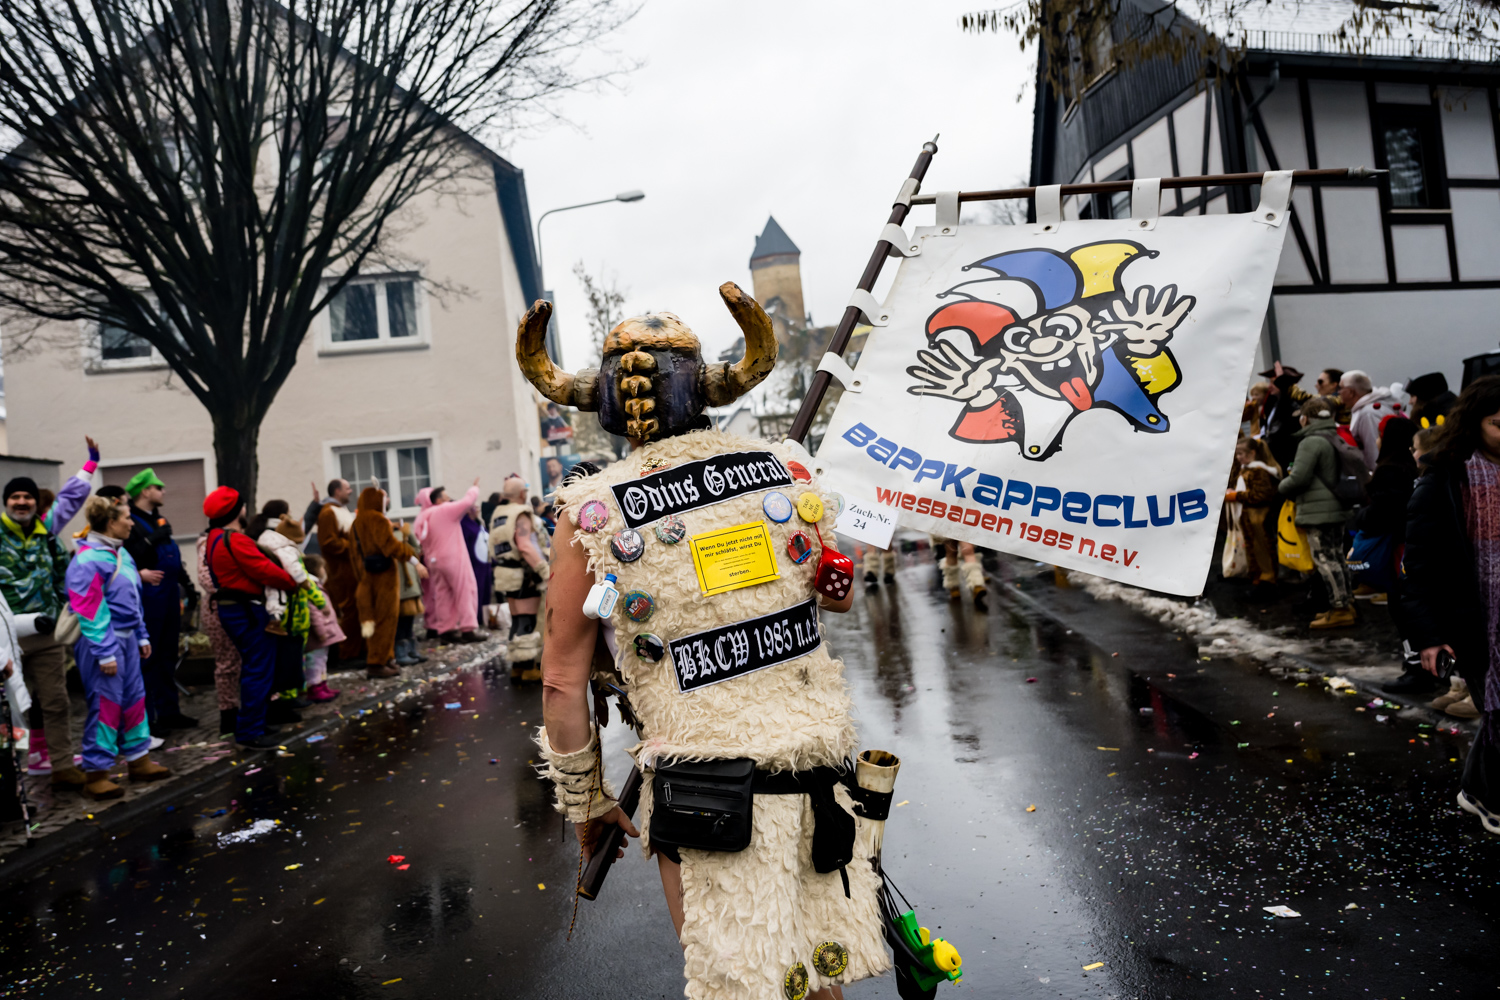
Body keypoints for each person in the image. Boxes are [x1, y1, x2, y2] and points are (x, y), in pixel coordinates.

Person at [522, 285, 890, 1000]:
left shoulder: (591, 514)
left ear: (605, 403)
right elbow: (831, 591)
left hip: (705, 793)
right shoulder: (788, 472)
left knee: (743, 987)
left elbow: (562, 680)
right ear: (706, 389)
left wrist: (588, 805)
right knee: (817, 984)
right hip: (821, 774)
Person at [1402, 375, 1500, 834]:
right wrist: (1428, 635)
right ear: (1474, 423)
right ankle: (1487, 798)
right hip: (1478, 619)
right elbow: (1420, 565)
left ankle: (1477, 790)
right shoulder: (1444, 477)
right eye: (1499, 424)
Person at [2, 437, 98, 789]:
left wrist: (90, 466)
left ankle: (61, 766)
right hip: (5, 639)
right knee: (8, 712)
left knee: (56, 701)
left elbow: (71, 500)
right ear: (7, 502)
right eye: (15, 497)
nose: (22, 502)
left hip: (45, 634)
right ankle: (8, 775)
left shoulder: (46, 534)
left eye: (27, 497)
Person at [66, 496, 171, 799]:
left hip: (126, 641)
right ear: (111, 522)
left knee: (135, 700)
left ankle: (138, 760)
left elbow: (132, 601)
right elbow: (89, 610)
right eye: (126, 518)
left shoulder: (121, 554)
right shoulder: (86, 560)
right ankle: (97, 772)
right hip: (103, 644)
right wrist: (105, 652)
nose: (131, 523)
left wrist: (141, 636)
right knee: (106, 706)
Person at [202, 487, 298, 749]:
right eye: (243, 506)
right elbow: (266, 571)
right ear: (237, 511)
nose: (246, 510)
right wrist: (294, 582)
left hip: (231, 609)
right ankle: (250, 731)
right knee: (259, 670)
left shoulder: (213, 538)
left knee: (254, 668)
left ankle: (257, 722)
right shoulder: (236, 540)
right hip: (248, 611)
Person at [121, 468, 199, 736]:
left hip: (168, 593)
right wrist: (154, 538)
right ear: (145, 491)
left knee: (167, 653)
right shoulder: (128, 520)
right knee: (148, 655)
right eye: (158, 487)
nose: (163, 491)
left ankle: (169, 712)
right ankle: (148, 718)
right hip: (148, 595)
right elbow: (129, 555)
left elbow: (172, 555)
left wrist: (188, 585)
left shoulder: (159, 519)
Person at [1277, 395, 1356, 628]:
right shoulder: (1333, 436)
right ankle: (1346, 603)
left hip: (1318, 511)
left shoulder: (1311, 442)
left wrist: (1281, 486)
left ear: (1306, 419)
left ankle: (1339, 608)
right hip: (1337, 507)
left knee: (1324, 558)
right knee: (1337, 557)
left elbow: (1299, 478)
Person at [488, 474, 549, 683]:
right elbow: (524, 545)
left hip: (505, 573)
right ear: (522, 493)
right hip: (523, 573)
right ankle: (529, 666)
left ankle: (517, 666)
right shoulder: (520, 513)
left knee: (517, 619)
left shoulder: (498, 514)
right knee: (528, 620)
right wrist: (543, 569)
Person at [350, 486, 413, 677]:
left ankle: (386, 659)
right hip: (383, 577)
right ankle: (377, 663)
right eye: (384, 497)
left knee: (372, 621)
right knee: (386, 620)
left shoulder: (356, 522)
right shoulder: (377, 518)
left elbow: (353, 554)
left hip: (365, 578)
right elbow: (389, 546)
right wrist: (409, 552)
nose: (387, 501)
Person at [414, 482, 485, 643]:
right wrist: (474, 488)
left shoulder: (424, 515)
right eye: (446, 497)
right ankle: (468, 629)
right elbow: (467, 502)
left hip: (433, 560)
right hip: (452, 558)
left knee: (442, 595)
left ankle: (446, 630)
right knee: (465, 590)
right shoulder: (444, 510)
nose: (450, 499)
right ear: (438, 500)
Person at [316, 478, 364, 667]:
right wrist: (354, 546)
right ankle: (345, 654)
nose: (350, 491)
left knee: (354, 611)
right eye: (347, 488)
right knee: (347, 611)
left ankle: (355, 650)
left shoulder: (340, 511)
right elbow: (328, 542)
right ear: (337, 491)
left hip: (350, 571)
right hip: (340, 573)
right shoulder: (328, 512)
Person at [1227, 437, 1282, 589]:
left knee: (1262, 548)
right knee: (1253, 548)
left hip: (1259, 517)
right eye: (1237, 454)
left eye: (1241, 454)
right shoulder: (1247, 469)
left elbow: (1261, 494)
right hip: (1249, 518)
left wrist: (1236, 496)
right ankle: (1257, 576)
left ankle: (1268, 580)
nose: (1238, 458)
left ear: (1252, 453)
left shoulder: (1259, 471)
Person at [1340, 370, 1404, 470]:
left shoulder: (1369, 413)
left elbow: (1374, 451)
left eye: (1341, 388)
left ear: (1351, 392)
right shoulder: (1368, 409)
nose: (1338, 393)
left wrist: (1375, 477)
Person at [300, 554, 343, 701]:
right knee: (315, 662)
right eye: (322, 568)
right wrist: (321, 632)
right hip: (320, 635)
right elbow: (315, 613)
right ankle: (315, 688)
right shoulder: (312, 588)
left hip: (325, 633)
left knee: (322, 661)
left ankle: (323, 685)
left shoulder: (317, 586)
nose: (325, 570)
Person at [393, 522, 427, 667]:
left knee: (409, 621)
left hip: (411, 585)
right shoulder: (390, 540)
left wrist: (409, 534)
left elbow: (417, 550)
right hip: (400, 586)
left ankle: (411, 649)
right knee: (401, 621)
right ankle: (401, 652)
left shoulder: (405, 538)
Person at [461, 501, 491, 624]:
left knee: (486, 589)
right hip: (474, 563)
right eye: (474, 506)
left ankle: (484, 617)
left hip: (484, 562)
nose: (477, 508)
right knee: (477, 589)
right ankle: (476, 618)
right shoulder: (464, 524)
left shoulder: (478, 523)